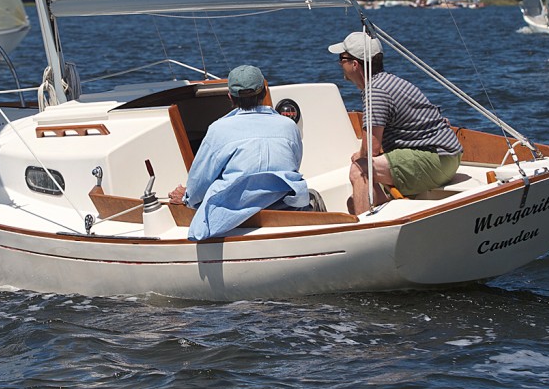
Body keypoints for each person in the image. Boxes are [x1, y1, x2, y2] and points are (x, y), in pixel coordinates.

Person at [169, 65, 309, 240]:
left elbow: (200, 182)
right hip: (287, 208)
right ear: (264, 92)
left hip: (233, 216)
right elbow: (293, 164)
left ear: (230, 97)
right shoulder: (288, 126)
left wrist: (186, 198)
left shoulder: (218, 130)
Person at [330, 31, 462, 214]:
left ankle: (365, 232)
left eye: (342, 59)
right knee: (353, 203)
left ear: (354, 64)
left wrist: (358, 155)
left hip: (437, 159)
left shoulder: (375, 91)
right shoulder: (386, 82)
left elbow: (371, 150)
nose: (339, 64)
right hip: (446, 157)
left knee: (359, 170)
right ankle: (382, 213)